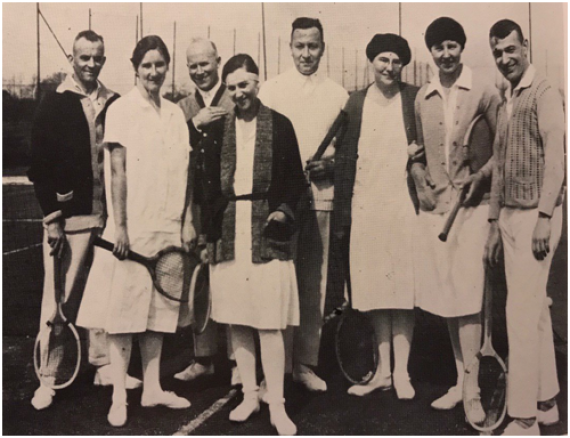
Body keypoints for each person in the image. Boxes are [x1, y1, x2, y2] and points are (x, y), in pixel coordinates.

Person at [76, 35, 194, 427]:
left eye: (160, 65)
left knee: (160, 311)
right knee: (124, 311)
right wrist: (121, 226)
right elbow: (118, 170)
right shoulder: (121, 109)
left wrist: (187, 220)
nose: (154, 72)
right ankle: (119, 397)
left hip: (168, 226)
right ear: (134, 67)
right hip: (131, 227)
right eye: (146, 65)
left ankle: (153, 389)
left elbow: (186, 171)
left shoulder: (176, 114)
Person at [27, 30, 141, 411]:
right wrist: (53, 218)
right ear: (72, 59)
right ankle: (49, 376)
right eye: (84, 58)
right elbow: (38, 169)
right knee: (59, 301)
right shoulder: (53, 103)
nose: (91, 64)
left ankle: (103, 365)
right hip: (69, 222)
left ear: (104, 60)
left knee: (105, 298)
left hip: (106, 220)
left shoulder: (114, 102)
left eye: (97, 58)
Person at [206, 54, 305, 435]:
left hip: (267, 233)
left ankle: (276, 404)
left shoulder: (280, 125)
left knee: (268, 323)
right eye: (231, 88)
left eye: (243, 85)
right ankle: (249, 395)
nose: (238, 93)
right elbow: (208, 188)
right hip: (230, 233)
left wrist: (281, 212)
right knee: (238, 322)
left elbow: (295, 182)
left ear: (257, 83)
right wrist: (209, 231)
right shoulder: (218, 130)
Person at [412, 17, 499, 414]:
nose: (446, 54)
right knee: (448, 301)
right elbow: (420, 152)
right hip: (436, 215)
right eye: (438, 48)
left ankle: (474, 391)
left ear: (462, 48)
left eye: (452, 46)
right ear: (430, 53)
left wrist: (480, 177)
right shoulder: (422, 97)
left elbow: (503, 148)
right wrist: (419, 178)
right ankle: (461, 380)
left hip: (473, 211)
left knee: (466, 300)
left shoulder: (484, 89)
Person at [258, 17, 348, 392]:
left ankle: (304, 364)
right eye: (300, 46)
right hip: (282, 204)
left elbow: (346, 150)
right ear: (290, 47)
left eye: (313, 46)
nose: (306, 53)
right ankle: (272, 371)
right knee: (278, 283)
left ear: (323, 48)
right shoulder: (271, 89)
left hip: (321, 198)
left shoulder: (338, 94)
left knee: (314, 281)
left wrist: (332, 164)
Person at [486, 20, 565, 436]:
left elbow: (556, 159)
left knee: (518, 313)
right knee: (531, 313)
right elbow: (499, 165)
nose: (505, 59)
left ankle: (524, 420)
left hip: (539, 215)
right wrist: (494, 222)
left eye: (511, 50)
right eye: (498, 53)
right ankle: (546, 401)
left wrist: (546, 216)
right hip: (512, 217)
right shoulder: (507, 96)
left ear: (525, 46)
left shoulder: (545, 92)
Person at [334, 34, 419, 399]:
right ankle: (383, 371)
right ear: (372, 62)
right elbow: (344, 162)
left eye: (396, 61)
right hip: (366, 206)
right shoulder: (355, 102)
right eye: (383, 59)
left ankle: (403, 372)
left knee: (402, 290)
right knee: (375, 293)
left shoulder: (414, 99)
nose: (389, 67)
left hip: (403, 206)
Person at [174, 37, 239, 386]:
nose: (200, 71)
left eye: (205, 63)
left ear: (218, 61)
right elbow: (171, 156)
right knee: (198, 281)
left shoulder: (235, 97)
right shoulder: (183, 106)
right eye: (193, 65)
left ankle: (236, 359)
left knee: (229, 276)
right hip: (196, 205)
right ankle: (203, 358)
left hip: (229, 204)